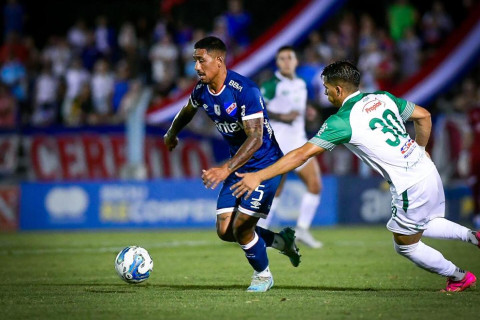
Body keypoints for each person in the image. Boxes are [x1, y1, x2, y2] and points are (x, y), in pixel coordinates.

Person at [232, 61, 480, 292]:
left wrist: (259, 175)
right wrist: (422, 149)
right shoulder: (381, 97)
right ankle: (474, 236)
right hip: (427, 171)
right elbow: (424, 116)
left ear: (339, 90)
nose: (325, 94)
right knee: (424, 223)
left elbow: (301, 155)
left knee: (405, 244)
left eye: (327, 89)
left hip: (409, 184)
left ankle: (459, 277)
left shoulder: (341, 121)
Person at [163, 36, 301, 292]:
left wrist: (225, 168)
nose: (196, 67)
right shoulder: (202, 90)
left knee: (241, 228)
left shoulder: (244, 90)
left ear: (219, 60)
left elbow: (256, 138)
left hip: (265, 167)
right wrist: (172, 133)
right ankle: (283, 242)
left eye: (201, 61)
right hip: (238, 167)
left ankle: (263, 275)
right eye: (195, 61)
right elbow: (187, 110)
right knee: (225, 230)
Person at [258, 46, 323, 248]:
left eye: (289, 58)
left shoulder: (302, 84)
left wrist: (309, 112)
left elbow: (300, 109)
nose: (286, 61)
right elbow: (258, 108)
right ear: (277, 63)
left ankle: (302, 229)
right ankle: (259, 229)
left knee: (315, 185)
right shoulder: (272, 84)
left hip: (299, 141)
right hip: (278, 142)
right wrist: (281, 116)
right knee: (276, 189)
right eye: (282, 58)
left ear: (296, 61)